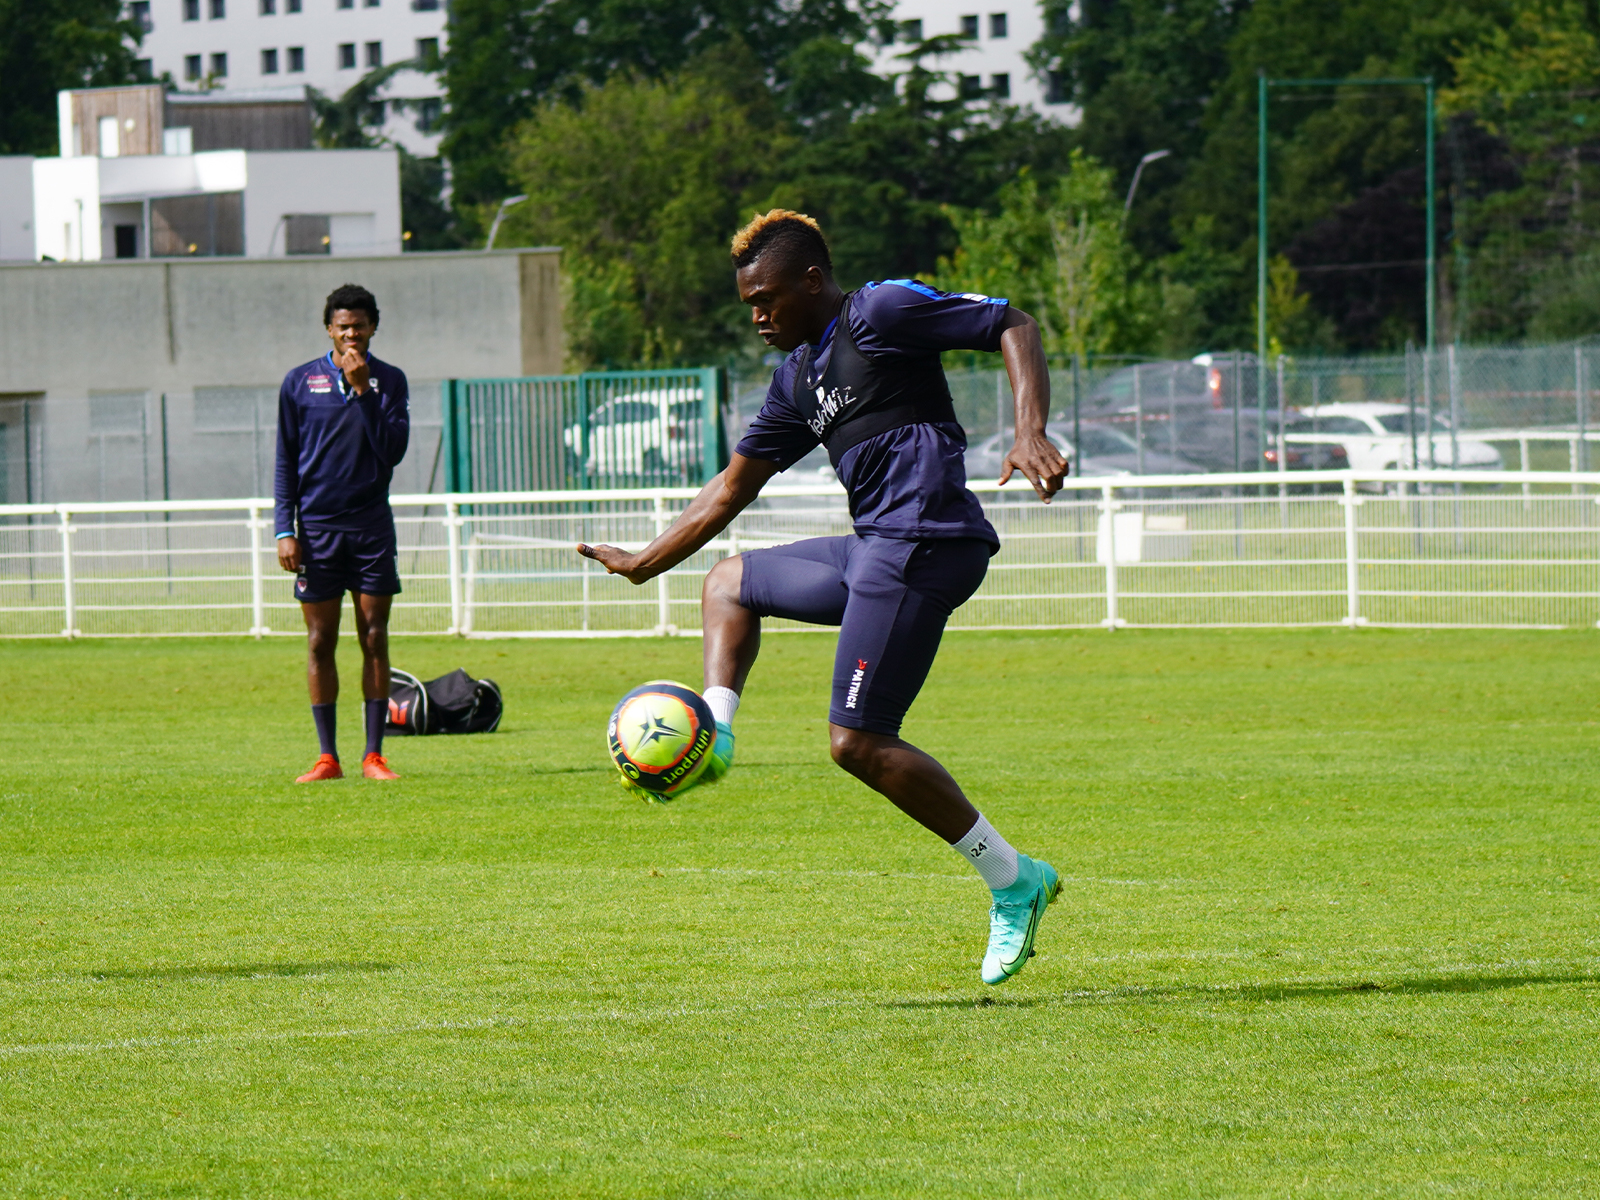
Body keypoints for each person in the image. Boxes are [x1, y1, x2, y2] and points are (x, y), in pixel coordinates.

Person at [578, 211, 1069, 985]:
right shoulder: (795, 379)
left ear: (812, 280)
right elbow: (730, 490)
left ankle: (1015, 881)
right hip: (877, 545)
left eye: (767, 299)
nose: (758, 316)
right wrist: (645, 562)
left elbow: (1013, 323)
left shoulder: (880, 311)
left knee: (857, 743)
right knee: (728, 583)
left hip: (926, 539)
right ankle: (717, 739)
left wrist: (1029, 429)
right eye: (748, 305)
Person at [274, 283, 410, 783]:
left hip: (371, 528)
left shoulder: (390, 382)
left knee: (374, 637)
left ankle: (374, 755)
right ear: (329, 328)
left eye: (360, 324)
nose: (351, 333)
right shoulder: (298, 381)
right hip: (316, 531)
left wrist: (362, 391)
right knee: (319, 641)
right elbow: (286, 460)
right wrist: (283, 530)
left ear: (374, 326)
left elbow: (391, 451)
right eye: (342, 325)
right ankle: (327, 757)